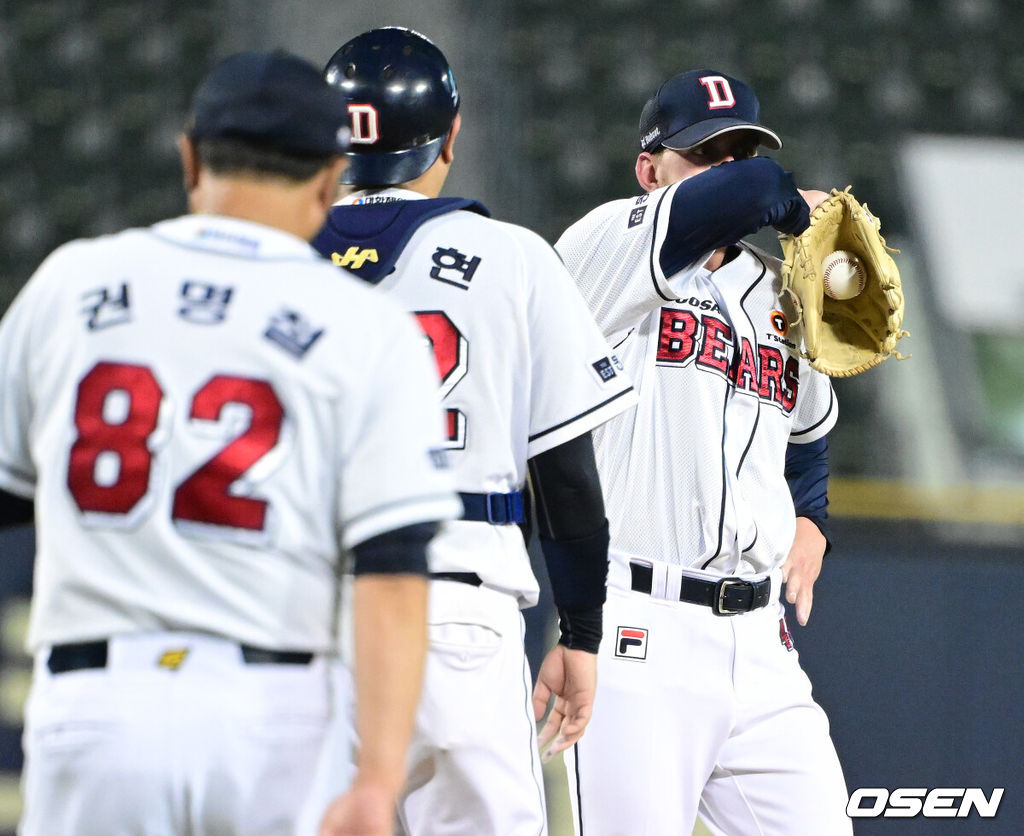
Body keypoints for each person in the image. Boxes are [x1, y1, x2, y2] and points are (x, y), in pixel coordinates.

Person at [0, 50, 462, 836]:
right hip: (268, 715)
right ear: (329, 176)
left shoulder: (72, 283)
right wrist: (378, 778)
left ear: (189, 156)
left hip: (94, 706)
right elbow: (391, 568)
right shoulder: (364, 325)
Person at [304, 26, 639, 836]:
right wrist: (583, 631)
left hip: (305, 617)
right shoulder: (512, 257)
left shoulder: (274, 256)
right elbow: (566, 481)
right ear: (452, 134)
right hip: (457, 617)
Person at [553, 69, 853, 834]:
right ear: (649, 171)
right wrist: (788, 199)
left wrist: (812, 516)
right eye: (705, 153)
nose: (728, 167)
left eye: (741, 149)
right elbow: (748, 195)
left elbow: (809, 431)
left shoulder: (778, 296)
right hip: (639, 629)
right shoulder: (606, 247)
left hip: (759, 643)